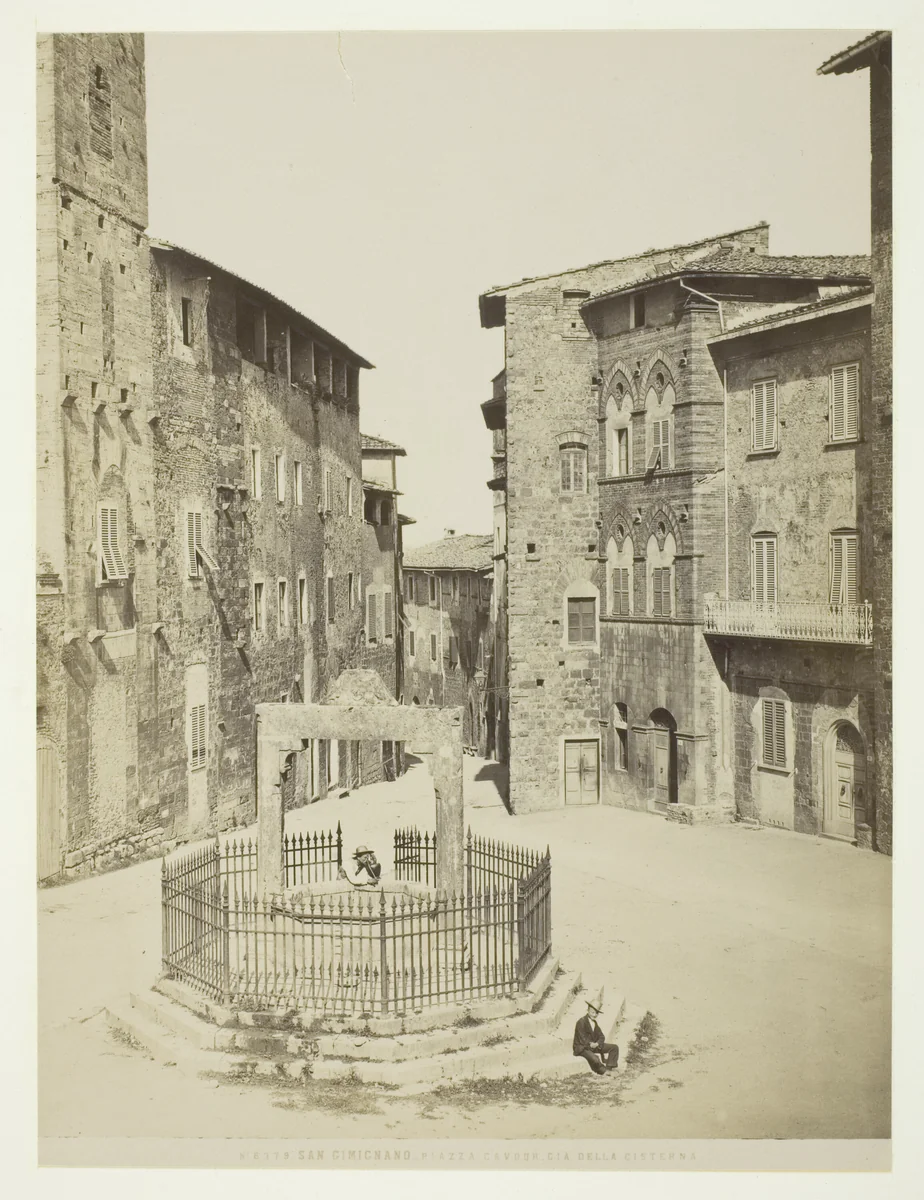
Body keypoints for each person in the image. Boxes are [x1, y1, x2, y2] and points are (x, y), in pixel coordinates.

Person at [573, 1000, 619, 1075]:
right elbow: (582, 1039)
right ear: (588, 1011)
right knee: (595, 1058)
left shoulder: (594, 1023)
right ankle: (603, 1071)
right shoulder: (581, 1022)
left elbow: (601, 1036)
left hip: (593, 1045)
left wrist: (597, 1043)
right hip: (582, 1047)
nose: (594, 1015)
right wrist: (591, 1044)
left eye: (596, 1013)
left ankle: (609, 1067)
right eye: (592, 1012)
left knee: (614, 1047)